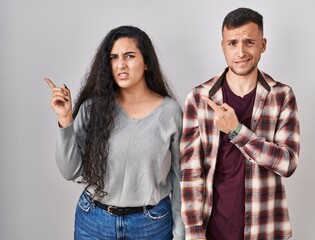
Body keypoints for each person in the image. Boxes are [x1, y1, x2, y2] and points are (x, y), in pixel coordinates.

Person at [45, 25, 184, 240]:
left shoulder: (170, 112)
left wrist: (181, 229)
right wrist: (65, 120)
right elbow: (69, 171)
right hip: (94, 221)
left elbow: (180, 177)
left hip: (151, 225)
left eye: (129, 56)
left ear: (146, 62)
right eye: (113, 57)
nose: (121, 65)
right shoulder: (93, 108)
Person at [180, 8, 300, 240]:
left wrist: (237, 131)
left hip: (264, 228)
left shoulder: (282, 95)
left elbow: (288, 163)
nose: (241, 51)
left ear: (262, 45)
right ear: (222, 46)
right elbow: (191, 172)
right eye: (232, 43)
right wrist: (194, 232)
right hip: (212, 228)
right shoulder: (199, 98)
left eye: (249, 42)